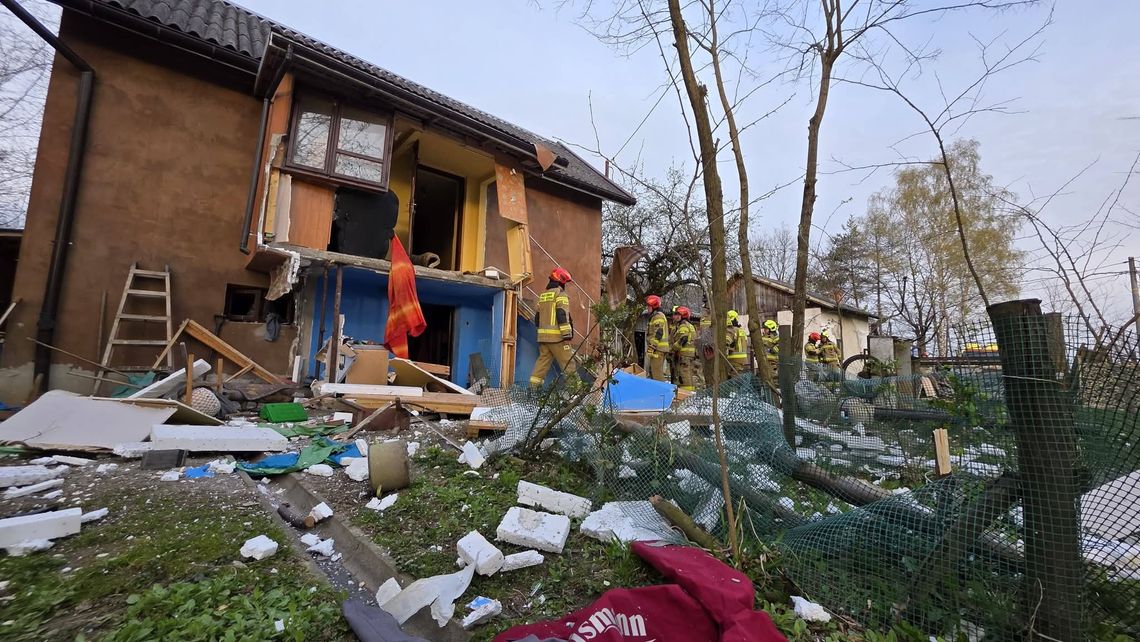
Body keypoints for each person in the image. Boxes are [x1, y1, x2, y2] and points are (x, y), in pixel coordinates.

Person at [529, 268, 578, 388]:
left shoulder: (543, 295)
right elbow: (562, 314)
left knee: (542, 365)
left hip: (543, 338)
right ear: (561, 281)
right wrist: (567, 334)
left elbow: (537, 319)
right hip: (557, 338)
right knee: (568, 364)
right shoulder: (560, 294)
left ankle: (532, 390)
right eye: (565, 282)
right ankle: (576, 393)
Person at [670, 306, 697, 391]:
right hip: (688, 355)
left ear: (682, 316)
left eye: (677, 315)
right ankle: (688, 393)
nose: (674, 317)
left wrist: (673, 349)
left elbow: (683, 339)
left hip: (684, 355)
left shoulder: (683, 325)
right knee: (687, 374)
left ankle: (687, 395)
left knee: (684, 376)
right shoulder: (689, 325)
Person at [645, 295, 670, 381]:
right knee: (653, 373)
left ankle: (663, 393)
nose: (647, 308)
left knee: (657, 374)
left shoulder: (658, 316)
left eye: (648, 306)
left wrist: (652, 347)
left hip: (658, 349)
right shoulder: (656, 316)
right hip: (658, 349)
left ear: (653, 306)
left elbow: (658, 333)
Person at [726, 310, 749, 375]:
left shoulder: (732, 330)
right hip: (743, 359)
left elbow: (727, 341)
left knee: (734, 381)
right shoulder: (741, 330)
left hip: (734, 359)